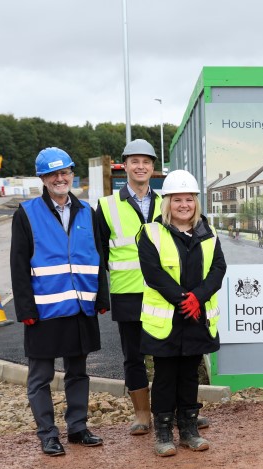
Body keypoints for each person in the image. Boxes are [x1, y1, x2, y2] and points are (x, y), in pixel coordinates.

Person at [96, 140, 211, 435]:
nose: (141, 166)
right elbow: (98, 254)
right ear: (124, 165)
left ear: (153, 167)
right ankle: (143, 414)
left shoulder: (169, 200)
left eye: (146, 161)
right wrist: (101, 294)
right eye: (134, 161)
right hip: (129, 291)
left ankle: (176, 413)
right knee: (134, 355)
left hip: (166, 295)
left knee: (173, 353)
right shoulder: (107, 206)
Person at [10, 147, 110, 456]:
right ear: (42, 178)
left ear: (71, 174)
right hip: (44, 310)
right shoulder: (26, 213)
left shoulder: (87, 212)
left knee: (78, 372)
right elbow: (18, 264)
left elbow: (98, 257)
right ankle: (48, 434)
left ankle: (78, 428)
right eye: (53, 173)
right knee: (40, 377)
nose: (60, 178)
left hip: (80, 308)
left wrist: (101, 297)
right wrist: (25, 309)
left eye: (65, 171)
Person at [137, 169, 226, 457]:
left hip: (196, 317)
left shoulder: (207, 232)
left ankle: (188, 429)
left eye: (189, 199)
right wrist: (181, 299)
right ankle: (163, 432)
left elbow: (218, 269)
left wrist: (198, 297)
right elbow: (153, 274)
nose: (184, 205)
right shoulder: (152, 232)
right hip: (166, 321)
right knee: (165, 375)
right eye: (177, 200)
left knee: (189, 374)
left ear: (195, 203)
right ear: (167, 203)